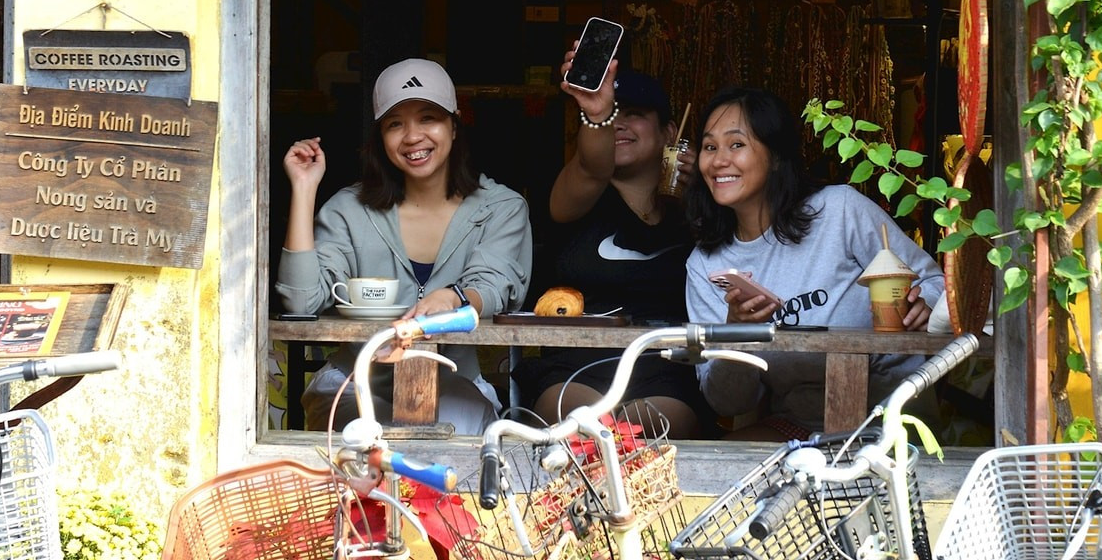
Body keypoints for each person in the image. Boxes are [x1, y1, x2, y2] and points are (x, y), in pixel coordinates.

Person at [276, 57, 532, 433]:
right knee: (368, 441)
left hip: (454, 381)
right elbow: (301, 300)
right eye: (396, 124)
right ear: (381, 136)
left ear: (454, 125)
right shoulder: (349, 209)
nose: (413, 137)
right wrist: (303, 188)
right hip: (356, 380)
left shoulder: (501, 208)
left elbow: (496, 284)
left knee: (458, 433)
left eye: (428, 118)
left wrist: (457, 297)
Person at [684, 85, 946, 436]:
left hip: (892, 417)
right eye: (709, 147)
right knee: (722, 469)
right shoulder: (704, 264)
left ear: (776, 156)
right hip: (798, 426)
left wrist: (925, 304)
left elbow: (936, 282)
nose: (718, 161)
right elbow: (727, 403)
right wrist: (735, 333)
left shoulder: (838, 211)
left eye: (737, 144)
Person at [517, 57, 707, 437]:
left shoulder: (699, 205)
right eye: (611, 116)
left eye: (633, 114)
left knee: (659, 428)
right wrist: (596, 113)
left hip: (665, 369)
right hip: (575, 366)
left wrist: (701, 194)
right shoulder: (580, 193)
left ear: (670, 132)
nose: (619, 123)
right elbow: (591, 167)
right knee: (576, 428)